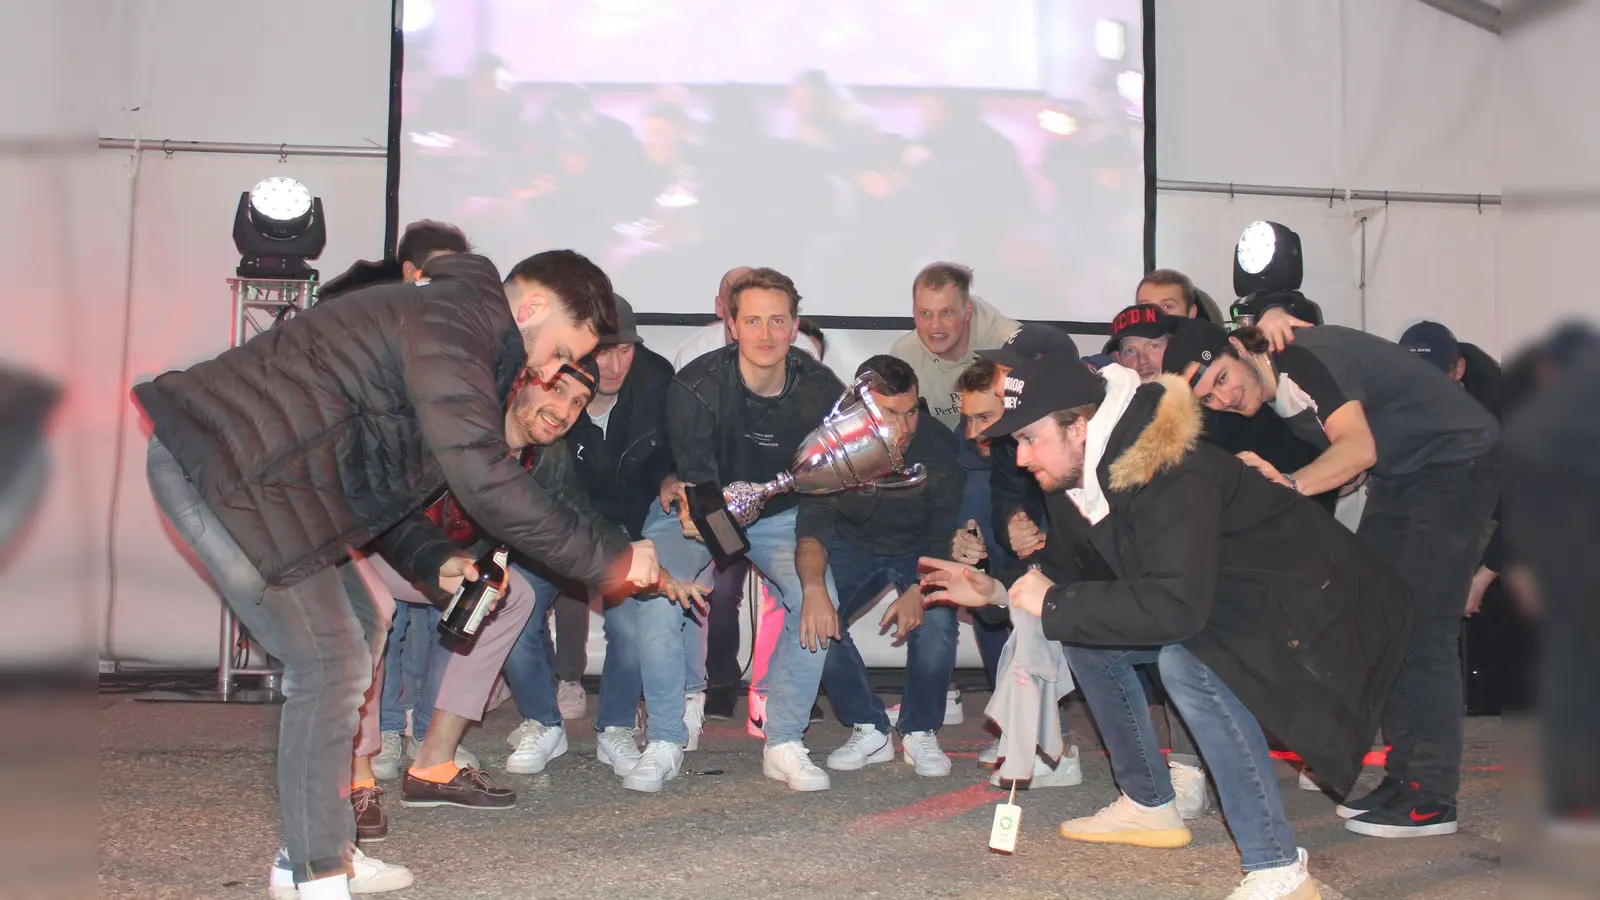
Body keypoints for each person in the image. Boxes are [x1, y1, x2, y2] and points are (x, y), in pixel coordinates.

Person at [135, 249, 664, 899]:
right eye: (559, 350)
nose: (553, 371)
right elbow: (484, 480)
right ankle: (316, 873)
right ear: (530, 309)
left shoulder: (462, 337)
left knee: (360, 624)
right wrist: (610, 559)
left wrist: (435, 560)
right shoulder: (454, 323)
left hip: (282, 491)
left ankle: (316, 850)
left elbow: (378, 485)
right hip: (224, 472)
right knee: (329, 659)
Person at [923, 357, 1412, 900]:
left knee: (1190, 664)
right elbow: (1066, 577)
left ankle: (1280, 872)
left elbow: (1177, 608)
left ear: (1079, 426)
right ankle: (1149, 805)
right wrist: (993, 590)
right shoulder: (1076, 476)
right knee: (1088, 633)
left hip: (1312, 599)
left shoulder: (1169, 467)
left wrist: (1058, 600)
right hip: (1218, 597)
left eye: (1031, 438)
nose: (1021, 455)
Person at [1162, 318, 1500, 837]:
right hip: (1404, 474)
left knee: (1426, 629)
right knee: (1382, 614)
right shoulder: (1277, 385)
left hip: (1457, 464)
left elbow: (1357, 449)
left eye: (1222, 379)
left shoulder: (1299, 361)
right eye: (1207, 398)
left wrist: (1290, 484)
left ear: (1237, 349)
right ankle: (1404, 777)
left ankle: (1432, 797)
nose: (1223, 398)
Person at [650, 267, 845, 792]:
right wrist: (726, 552)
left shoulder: (824, 391)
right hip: (704, 509)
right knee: (655, 587)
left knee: (818, 598)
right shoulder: (694, 386)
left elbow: (824, 493)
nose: (764, 333)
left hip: (785, 514)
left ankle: (783, 741)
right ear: (732, 325)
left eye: (776, 320)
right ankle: (666, 739)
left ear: (795, 326)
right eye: (752, 320)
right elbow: (700, 488)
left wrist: (810, 578)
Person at [796, 356, 965, 777]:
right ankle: (869, 726)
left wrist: (919, 590)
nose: (905, 426)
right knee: (818, 618)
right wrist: (814, 590)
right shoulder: (835, 445)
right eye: (891, 414)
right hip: (855, 546)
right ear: (861, 410)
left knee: (940, 624)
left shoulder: (937, 445)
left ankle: (919, 729)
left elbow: (945, 532)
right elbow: (813, 525)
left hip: (921, 550)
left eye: (911, 411)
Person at [889, 262, 1019, 432]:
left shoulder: (1011, 343)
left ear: (967, 311)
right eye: (925, 313)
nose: (935, 326)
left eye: (946, 312)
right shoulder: (903, 355)